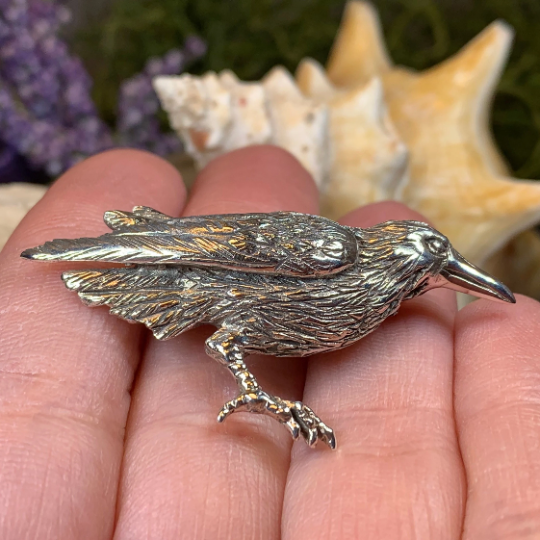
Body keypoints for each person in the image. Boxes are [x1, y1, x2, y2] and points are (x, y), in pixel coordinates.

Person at [0, 146, 538, 540]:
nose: (447, 267)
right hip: (202, 278)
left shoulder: (375, 306)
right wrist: (140, 244)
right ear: (402, 247)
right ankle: (256, 396)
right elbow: (229, 244)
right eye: (434, 252)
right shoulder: (336, 248)